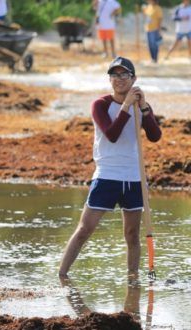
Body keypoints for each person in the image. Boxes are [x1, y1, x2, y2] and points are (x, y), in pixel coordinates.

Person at [59, 57, 162, 279]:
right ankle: (62, 276)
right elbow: (112, 134)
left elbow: (155, 136)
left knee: (132, 234)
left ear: (134, 79)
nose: (119, 79)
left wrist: (144, 108)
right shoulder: (100, 105)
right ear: (109, 79)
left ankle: (133, 280)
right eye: (114, 74)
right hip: (107, 175)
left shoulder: (141, 107)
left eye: (124, 74)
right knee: (84, 229)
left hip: (134, 177)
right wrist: (126, 106)